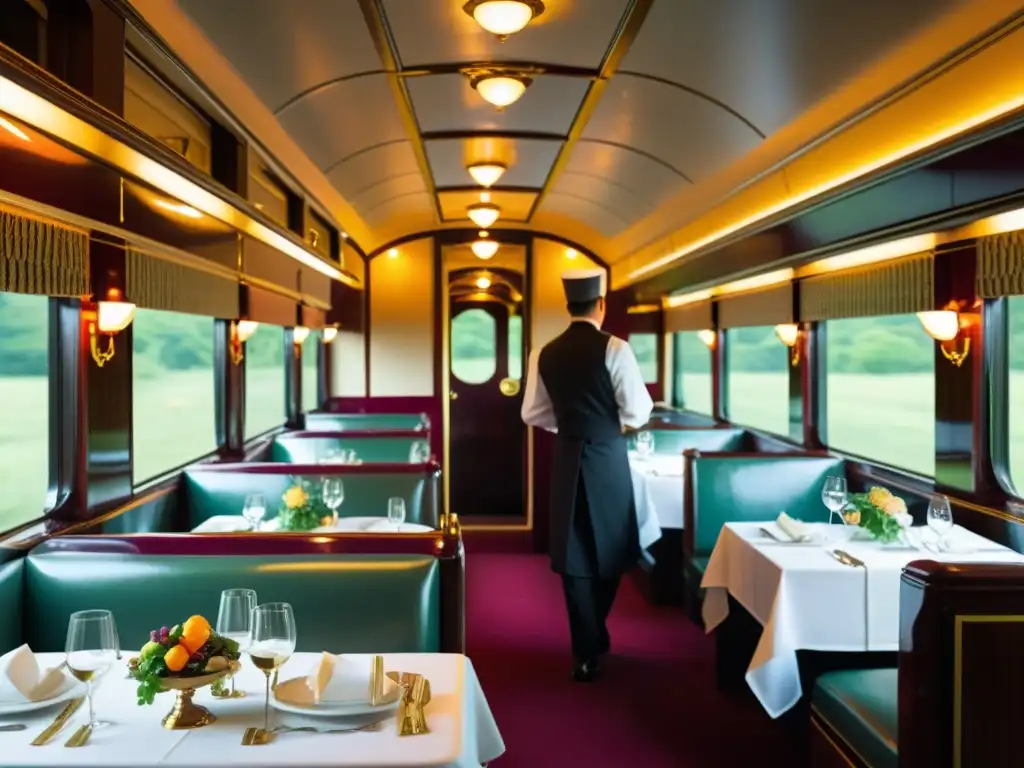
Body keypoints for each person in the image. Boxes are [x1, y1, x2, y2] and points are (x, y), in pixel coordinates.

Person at [521, 267, 653, 682]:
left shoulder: (543, 352)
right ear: (600, 305)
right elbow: (638, 411)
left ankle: (586, 648)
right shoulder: (616, 349)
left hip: (566, 457)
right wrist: (607, 424)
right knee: (612, 550)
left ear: (568, 306)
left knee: (573, 555)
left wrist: (568, 426)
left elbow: (532, 413)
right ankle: (592, 637)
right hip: (609, 457)